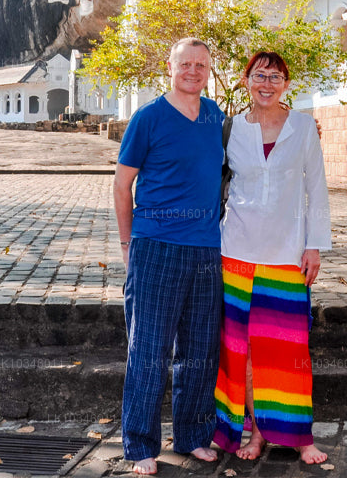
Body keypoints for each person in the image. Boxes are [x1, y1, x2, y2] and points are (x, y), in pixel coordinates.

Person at [213, 51, 331, 465]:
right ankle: (256, 434)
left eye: (276, 76)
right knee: (240, 350)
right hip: (236, 252)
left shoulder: (302, 127)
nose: (267, 82)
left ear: (286, 83)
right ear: (246, 79)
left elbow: (316, 185)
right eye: (260, 75)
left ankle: (300, 437)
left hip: (286, 253)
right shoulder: (229, 129)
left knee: (288, 348)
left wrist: (314, 243)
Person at [114, 37, 225, 475]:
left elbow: (254, 140)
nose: (194, 71)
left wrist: (301, 126)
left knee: (200, 349)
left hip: (206, 250)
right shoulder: (148, 118)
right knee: (149, 349)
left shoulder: (215, 117)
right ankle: (141, 444)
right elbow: (122, 186)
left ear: (208, 70)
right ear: (170, 66)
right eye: (186, 64)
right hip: (155, 246)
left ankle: (194, 435)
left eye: (201, 65)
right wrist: (127, 246)